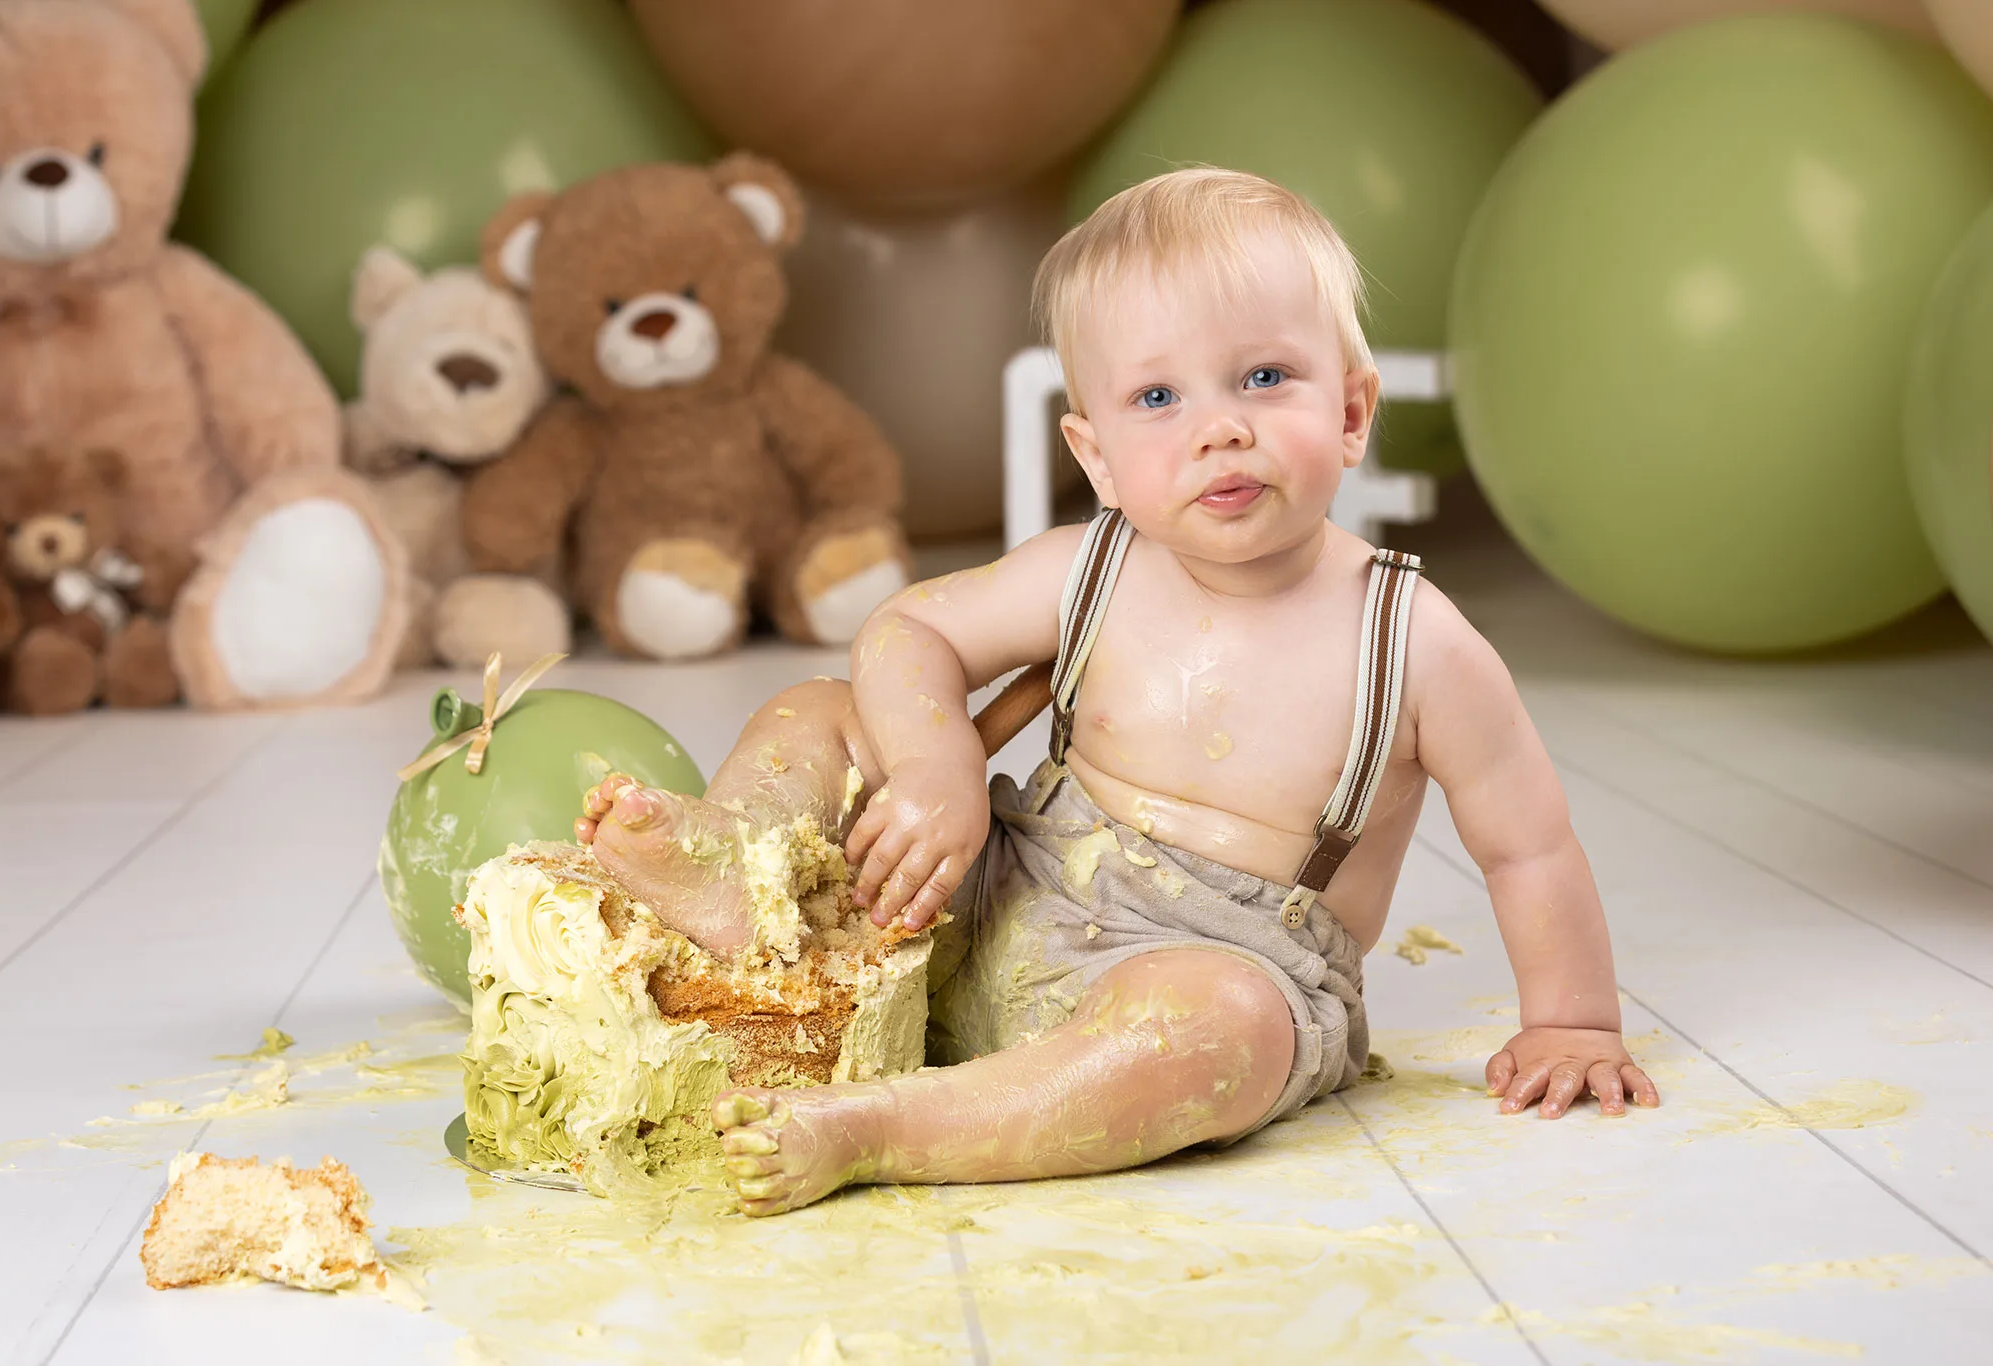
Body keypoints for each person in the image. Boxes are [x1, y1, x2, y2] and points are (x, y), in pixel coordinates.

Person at [575, 167, 1659, 1218]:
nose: (1217, 426)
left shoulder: (1413, 640)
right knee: (820, 714)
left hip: (1210, 961)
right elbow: (907, 628)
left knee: (1223, 1031)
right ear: (1094, 455)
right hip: (991, 889)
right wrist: (934, 768)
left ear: (1350, 410)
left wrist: (1571, 1022)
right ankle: (744, 878)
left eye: (1264, 378)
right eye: (1156, 396)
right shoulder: (1089, 566)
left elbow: (1527, 844)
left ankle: (882, 1125)